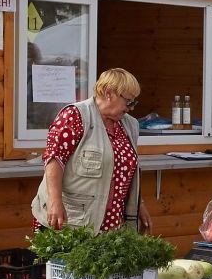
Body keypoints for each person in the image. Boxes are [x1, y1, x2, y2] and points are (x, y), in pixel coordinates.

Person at [31, 69, 151, 234]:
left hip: (113, 224)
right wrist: (54, 201)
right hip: (73, 221)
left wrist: (139, 204)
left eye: (133, 103)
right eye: (128, 101)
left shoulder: (130, 125)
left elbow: (126, 173)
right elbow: (55, 160)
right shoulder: (75, 116)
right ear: (109, 93)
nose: (130, 108)